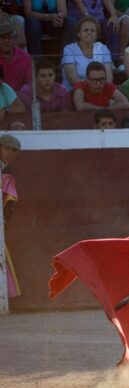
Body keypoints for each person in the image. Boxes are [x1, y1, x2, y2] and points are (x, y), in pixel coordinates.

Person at [61, 16, 114, 90]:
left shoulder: (103, 48)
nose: (89, 32)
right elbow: (72, 80)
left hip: (99, 91)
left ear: (96, 35)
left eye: (92, 30)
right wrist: (95, 85)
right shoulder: (69, 49)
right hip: (76, 91)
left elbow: (109, 79)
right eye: (86, 30)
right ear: (79, 34)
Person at [1, 133, 21, 300]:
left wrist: (4, 220)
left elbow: (10, 203)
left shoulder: (7, 172)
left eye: (13, 151)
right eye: (6, 148)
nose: (10, 153)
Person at [0, 21, 32, 92]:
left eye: (9, 37)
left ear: (14, 39)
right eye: (2, 38)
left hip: (20, 97)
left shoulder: (25, 57)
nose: (6, 41)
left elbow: (29, 84)